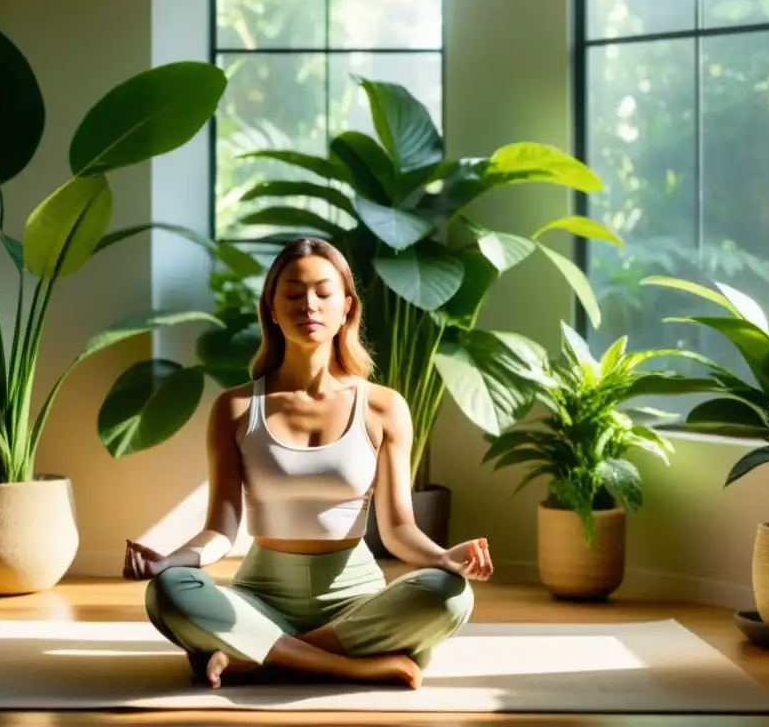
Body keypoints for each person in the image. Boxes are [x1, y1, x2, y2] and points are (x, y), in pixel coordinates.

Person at [123, 236, 493, 690]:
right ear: (272, 310)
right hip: (261, 595)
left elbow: (398, 529)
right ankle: (354, 665)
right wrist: (169, 562)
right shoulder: (236, 408)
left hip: (354, 599)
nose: (309, 306)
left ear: (347, 308)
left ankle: (257, 656)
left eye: (323, 292)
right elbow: (221, 529)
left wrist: (444, 557)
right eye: (293, 294)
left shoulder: (383, 407)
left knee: (448, 597)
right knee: (169, 592)